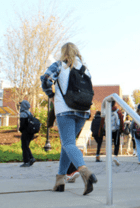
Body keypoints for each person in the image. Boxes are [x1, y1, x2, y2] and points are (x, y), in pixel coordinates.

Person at [40, 42, 97, 195]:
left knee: (68, 143)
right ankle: (60, 181)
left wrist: (51, 95)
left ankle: (85, 171)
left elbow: (45, 79)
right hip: (83, 111)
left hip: (65, 110)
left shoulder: (59, 65)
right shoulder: (85, 69)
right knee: (68, 145)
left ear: (63, 53)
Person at [99, 101, 124, 166]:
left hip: (108, 130)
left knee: (108, 144)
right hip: (116, 130)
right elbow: (121, 121)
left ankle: (109, 159)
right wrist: (121, 129)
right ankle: (115, 156)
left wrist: (101, 131)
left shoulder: (105, 111)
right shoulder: (118, 111)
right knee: (116, 144)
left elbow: (102, 122)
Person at [19, 100, 36, 167]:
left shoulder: (23, 113)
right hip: (30, 132)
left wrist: (20, 129)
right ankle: (31, 158)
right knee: (26, 146)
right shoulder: (29, 113)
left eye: (21, 104)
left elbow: (22, 124)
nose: (20, 106)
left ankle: (26, 161)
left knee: (24, 146)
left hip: (25, 132)